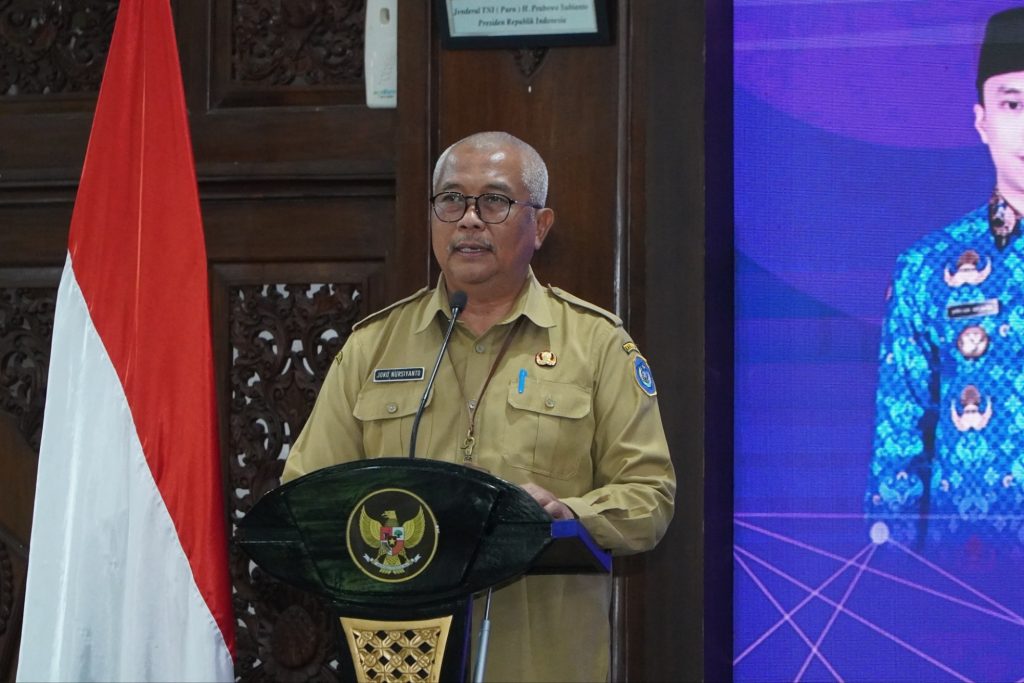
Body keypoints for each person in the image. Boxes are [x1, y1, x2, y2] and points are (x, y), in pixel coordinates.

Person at [281, 131, 676, 681]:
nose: (469, 220)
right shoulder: (374, 346)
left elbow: (650, 496)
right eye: (451, 200)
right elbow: (306, 496)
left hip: (540, 661)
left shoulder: (597, 344)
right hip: (401, 657)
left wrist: (571, 515)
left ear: (540, 225)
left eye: (494, 201)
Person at [868, 7, 1024, 550]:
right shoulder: (927, 268)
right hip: (969, 573)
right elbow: (899, 447)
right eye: (1012, 104)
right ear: (982, 120)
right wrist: (893, 577)